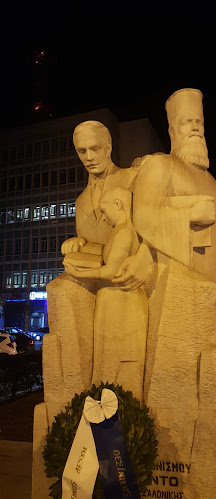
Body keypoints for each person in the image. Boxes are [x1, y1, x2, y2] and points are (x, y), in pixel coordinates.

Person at [132, 89, 216, 499]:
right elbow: (144, 216)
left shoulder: (211, 179)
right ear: (173, 130)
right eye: (187, 123)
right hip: (177, 297)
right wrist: (188, 214)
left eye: (200, 123)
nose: (195, 128)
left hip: (212, 301)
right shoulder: (161, 166)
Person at [45, 122, 151, 403]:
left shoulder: (134, 178)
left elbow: (153, 229)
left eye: (94, 148)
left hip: (131, 284)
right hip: (103, 290)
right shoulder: (81, 202)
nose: (89, 156)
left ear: (109, 147)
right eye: (82, 151)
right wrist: (79, 243)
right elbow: (99, 245)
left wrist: (145, 257)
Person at [64, 187, 148, 398]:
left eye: (104, 210)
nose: (102, 217)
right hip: (112, 302)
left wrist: (79, 273)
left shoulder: (124, 233)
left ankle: (123, 416)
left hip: (123, 304)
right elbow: (103, 255)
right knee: (106, 363)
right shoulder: (118, 233)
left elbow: (111, 271)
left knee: (121, 362)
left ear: (118, 205)